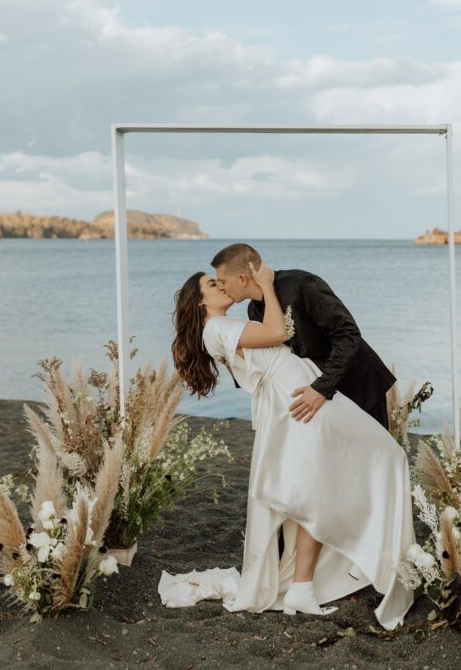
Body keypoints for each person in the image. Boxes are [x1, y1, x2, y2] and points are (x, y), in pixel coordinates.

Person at [162, 261, 415, 631]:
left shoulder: (223, 327)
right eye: (210, 284)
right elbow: (278, 332)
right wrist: (266, 285)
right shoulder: (217, 327)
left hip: (296, 392)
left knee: (316, 488)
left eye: (219, 279)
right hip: (297, 395)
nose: (220, 286)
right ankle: (359, 557)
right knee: (383, 457)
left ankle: (306, 583)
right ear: (200, 303)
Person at [210, 243, 396, 430]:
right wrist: (236, 361)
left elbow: (348, 333)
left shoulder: (301, 284)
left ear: (242, 279)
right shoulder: (255, 311)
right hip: (319, 398)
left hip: (358, 386)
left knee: (373, 455)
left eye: (222, 281)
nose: (221, 288)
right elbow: (273, 362)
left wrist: (321, 388)